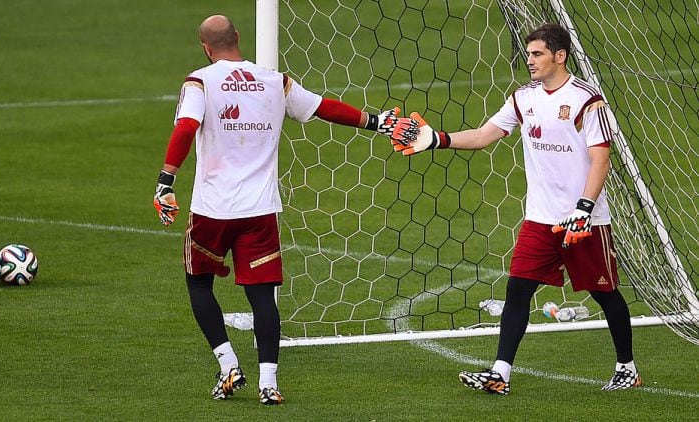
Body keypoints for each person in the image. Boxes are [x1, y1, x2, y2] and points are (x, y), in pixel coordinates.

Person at [152, 15, 416, 405]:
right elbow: (324, 108)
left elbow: (186, 127)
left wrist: (165, 181)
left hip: (212, 209)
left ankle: (228, 365)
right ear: (238, 38)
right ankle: (269, 382)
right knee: (262, 296)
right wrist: (376, 121)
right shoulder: (275, 81)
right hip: (260, 211)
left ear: (206, 48)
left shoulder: (200, 80)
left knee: (198, 284)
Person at [394, 23, 640, 395]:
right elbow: (482, 136)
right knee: (518, 290)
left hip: (583, 220)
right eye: (528, 54)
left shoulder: (587, 100)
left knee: (605, 294)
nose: (530, 61)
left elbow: (601, 158)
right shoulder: (523, 98)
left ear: (560, 56)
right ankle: (500, 373)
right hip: (540, 219)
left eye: (538, 54)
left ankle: (627, 367)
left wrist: (584, 207)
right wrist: (437, 139)